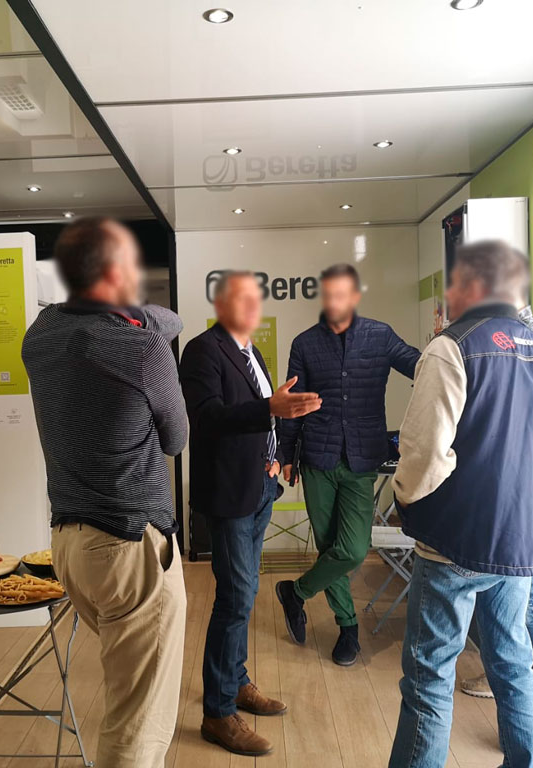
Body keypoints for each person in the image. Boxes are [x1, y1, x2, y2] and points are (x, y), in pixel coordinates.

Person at [387, 240, 533, 768]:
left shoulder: (452, 348)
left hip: (455, 541)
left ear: (472, 286)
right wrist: (529, 518)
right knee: (513, 664)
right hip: (520, 545)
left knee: (429, 676)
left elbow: (425, 455)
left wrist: (406, 503)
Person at [21, 217, 187, 768]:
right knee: (137, 719)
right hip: (130, 547)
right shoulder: (144, 349)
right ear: (117, 273)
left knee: (126, 693)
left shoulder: (40, 335)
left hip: (71, 546)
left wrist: (137, 316)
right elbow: (176, 439)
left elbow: (160, 320)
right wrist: (142, 321)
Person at [180, 270, 322, 757]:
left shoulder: (251, 352)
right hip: (229, 494)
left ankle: (236, 681)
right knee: (235, 597)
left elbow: (266, 415)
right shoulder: (202, 350)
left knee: (245, 592)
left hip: (260, 487)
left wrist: (276, 453)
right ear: (220, 305)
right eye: (241, 299)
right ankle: (218, 714)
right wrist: (270, 409)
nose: (252, 307)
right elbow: (206, 418)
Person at [274, 263, 420, 665]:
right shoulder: (305, 344)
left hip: (361, 460)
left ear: (354, 297)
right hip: (316, 459)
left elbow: (419, 365)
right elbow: (293, 406)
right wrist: (286, 455)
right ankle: (348, 628)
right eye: (328, 294)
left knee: (353, 548)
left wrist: (454, 354)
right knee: (328, 545)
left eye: (341, 295)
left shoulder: (380, 335)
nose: (333, 302)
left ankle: (295, 592)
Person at [459, 303, 533, 755]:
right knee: (508, 598)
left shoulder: (532, 339)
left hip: (529, 497)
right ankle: (506, 677)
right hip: (516, 495)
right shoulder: (502, 333)